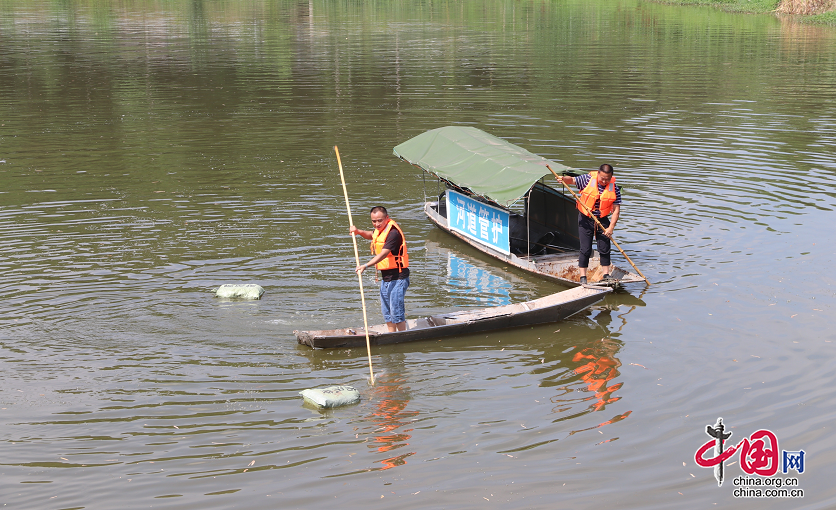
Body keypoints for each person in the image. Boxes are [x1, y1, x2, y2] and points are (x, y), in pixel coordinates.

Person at [557, 164, 621, 285]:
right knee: (585, 249)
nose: (604, 181)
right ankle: (583, 277)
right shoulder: (587, 179)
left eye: (607, 179)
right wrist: (563, 179)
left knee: (604, 248)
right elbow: (572, 180)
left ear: (611, 177)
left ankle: (606, 275)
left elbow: (616, 210)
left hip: (602, 220)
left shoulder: (614, 188)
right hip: (586, 219)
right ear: (598, 174)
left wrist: (611, 227)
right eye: (602, 178)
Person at [350, 206, 410, 332]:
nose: (377, 224)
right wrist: (358, 231)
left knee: (396, 312)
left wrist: (365, 266)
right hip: (386, 278)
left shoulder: (393, 233)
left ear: (386, 218)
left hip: (398, 278)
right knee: (387, 311)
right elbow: (371, 235)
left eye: (379, 220)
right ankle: (391, 334)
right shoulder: (380, 230)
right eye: (374, 221)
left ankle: (402, 336)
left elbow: (383, 254)